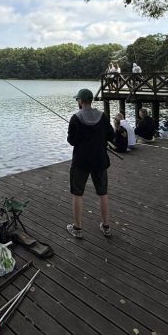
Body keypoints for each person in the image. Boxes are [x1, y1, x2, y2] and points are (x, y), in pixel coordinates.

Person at [67, 88, 115, 238]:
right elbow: (111, 135)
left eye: (78, 100)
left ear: (81, 101)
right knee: (103, 193)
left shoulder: (75, 118)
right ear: (91, 101)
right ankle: (106, 226)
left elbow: (72, 141)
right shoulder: (102, 116)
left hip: (81, 162)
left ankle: (77, 228)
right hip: (100, 160)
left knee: (77, 193)